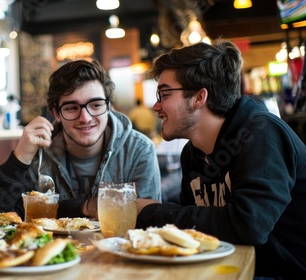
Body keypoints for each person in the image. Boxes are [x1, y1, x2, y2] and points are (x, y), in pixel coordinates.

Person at [131, 40, 306, 279]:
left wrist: (152, 211)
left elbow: (248, 226)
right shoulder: (193, 153)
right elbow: (192, 235)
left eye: (164, 94)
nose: (156, 105)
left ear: (199, 97)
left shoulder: (261, 134)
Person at [0, 59, 161, 219]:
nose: (85, 118)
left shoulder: (139, 149)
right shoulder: (38, 151)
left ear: (109, 106)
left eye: (96, 105)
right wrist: (19, 158)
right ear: (56, 113)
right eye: (72, 108)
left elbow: (147, 220)